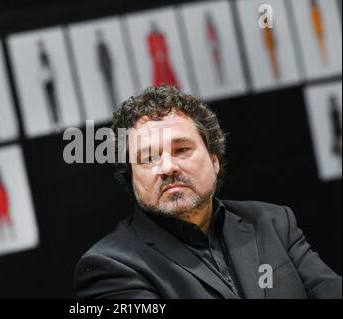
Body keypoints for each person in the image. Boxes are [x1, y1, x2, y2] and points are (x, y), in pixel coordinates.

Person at [74, 86, 342, 299]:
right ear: (130, 177)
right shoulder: (108, 266)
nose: (168, 167)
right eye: (149, 158)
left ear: (214, 160)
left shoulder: (272, 222)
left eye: (181, 150)